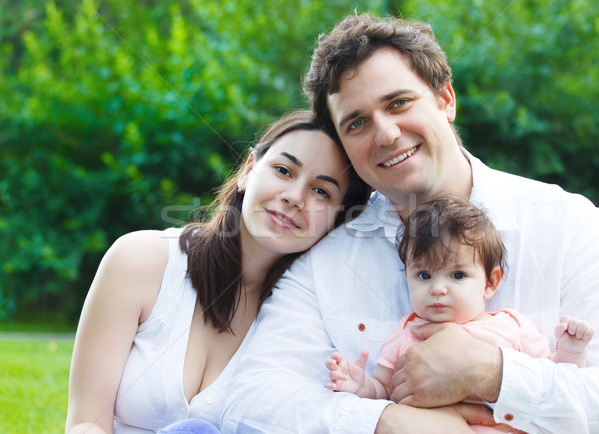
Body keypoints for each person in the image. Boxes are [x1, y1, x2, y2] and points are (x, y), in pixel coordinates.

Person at [221, 13, 599, 434]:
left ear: (446, 100)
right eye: (357, 123)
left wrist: (490, 372)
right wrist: (391, 422)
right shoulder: (325, 259)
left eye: (399, 102)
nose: (385, 134)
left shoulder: (569, 226)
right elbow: (250, 396)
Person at [64, 109, 371, 434]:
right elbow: (86, 421)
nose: (294, 197)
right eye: (283, 170)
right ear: (248, 171)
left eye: (322, 192)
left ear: (336, 220)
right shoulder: (140, 261)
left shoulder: (307, 321)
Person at [326, 198, 594, 433]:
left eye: (457, 275)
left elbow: (551, 379)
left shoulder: (510, 326)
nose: (438, 289)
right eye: (424, 275)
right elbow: (383, 389)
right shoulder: (406, 332)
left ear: (490, 283)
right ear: (407, 277)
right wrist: (360, 385)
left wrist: (570, 350)